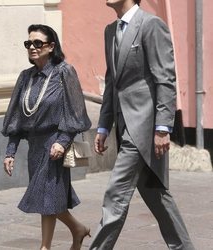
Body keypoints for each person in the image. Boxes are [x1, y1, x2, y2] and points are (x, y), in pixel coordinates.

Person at [89, 1, 195, 249]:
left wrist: (162, 128)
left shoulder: (150, 25)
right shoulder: (110, 30)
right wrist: (104, 126)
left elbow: (165, 79)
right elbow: (112, 83)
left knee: (115, 195)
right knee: (156, 195)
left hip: (144, 129)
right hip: (124, 127)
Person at [2, 24, 91, 250]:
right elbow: (16, 117)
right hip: (35, 145)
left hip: (55, 143)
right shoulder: (26, 77)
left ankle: (45, 247)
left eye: (38, 43)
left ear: (51, 46)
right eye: (28, 43)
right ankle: (78, 229)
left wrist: (62, 141)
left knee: (46, 197)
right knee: (47, 196)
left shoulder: (64, 72)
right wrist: (10, 151)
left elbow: (76, 111)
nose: (32, 47)